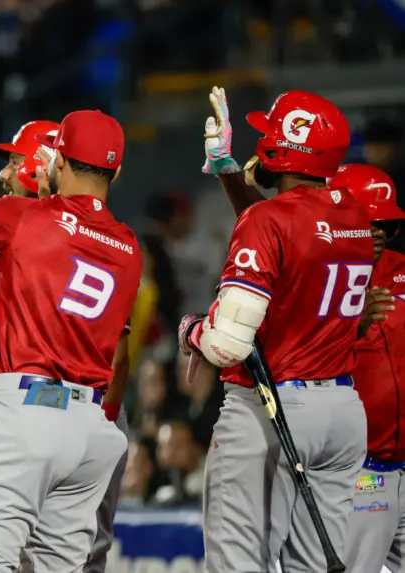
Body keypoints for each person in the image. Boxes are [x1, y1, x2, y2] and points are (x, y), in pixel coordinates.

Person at [0, 109, 141, 572]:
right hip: (90, 428)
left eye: (14, 162)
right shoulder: (128, 245)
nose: (3, 172)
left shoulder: (21, 217)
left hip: (26, 413)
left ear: (54, 161)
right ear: (115, 170)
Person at [179, 88, 372, 572]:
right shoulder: (354, 216)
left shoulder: (269, 220)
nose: (260, 142)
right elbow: (289, 222)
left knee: (240, 562)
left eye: (269, 134)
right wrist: (226, 170)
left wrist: (190, 332)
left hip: (273, 406)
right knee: (311, 566)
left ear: (287, 148)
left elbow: (226, 344)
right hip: (342, 412)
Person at [322, 164, 405, 573]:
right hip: (361, 474)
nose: (375, 232)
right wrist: (354, 324)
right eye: (366, 221)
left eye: (385, 224)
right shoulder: (316, 276)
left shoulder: (402, 269)